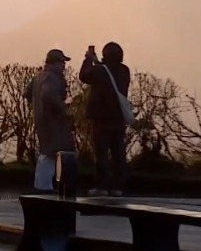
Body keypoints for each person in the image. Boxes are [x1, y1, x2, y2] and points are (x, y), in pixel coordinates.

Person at [80, 42, 131, 197]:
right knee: (118, 153)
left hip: (100, 119)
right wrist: (98, 63)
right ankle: (118, 187)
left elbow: (84, 75)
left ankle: (101, 186)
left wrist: (88, 59)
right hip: (118, 118)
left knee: (101, 154)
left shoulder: (99, 71)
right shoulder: (124, 71)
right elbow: (107, 73)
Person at [28, 49, 76, 194]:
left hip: (42, 120)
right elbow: (48, 94)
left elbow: (27, 93)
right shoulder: (52, 77)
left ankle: (41, 185)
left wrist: (38, 107)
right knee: (51, 152)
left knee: (46, 151)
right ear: (54, 63)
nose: (64, 66)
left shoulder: (39, 76)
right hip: (52, 121)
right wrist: (62, 109)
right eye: (62, 62)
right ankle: (44, 187)